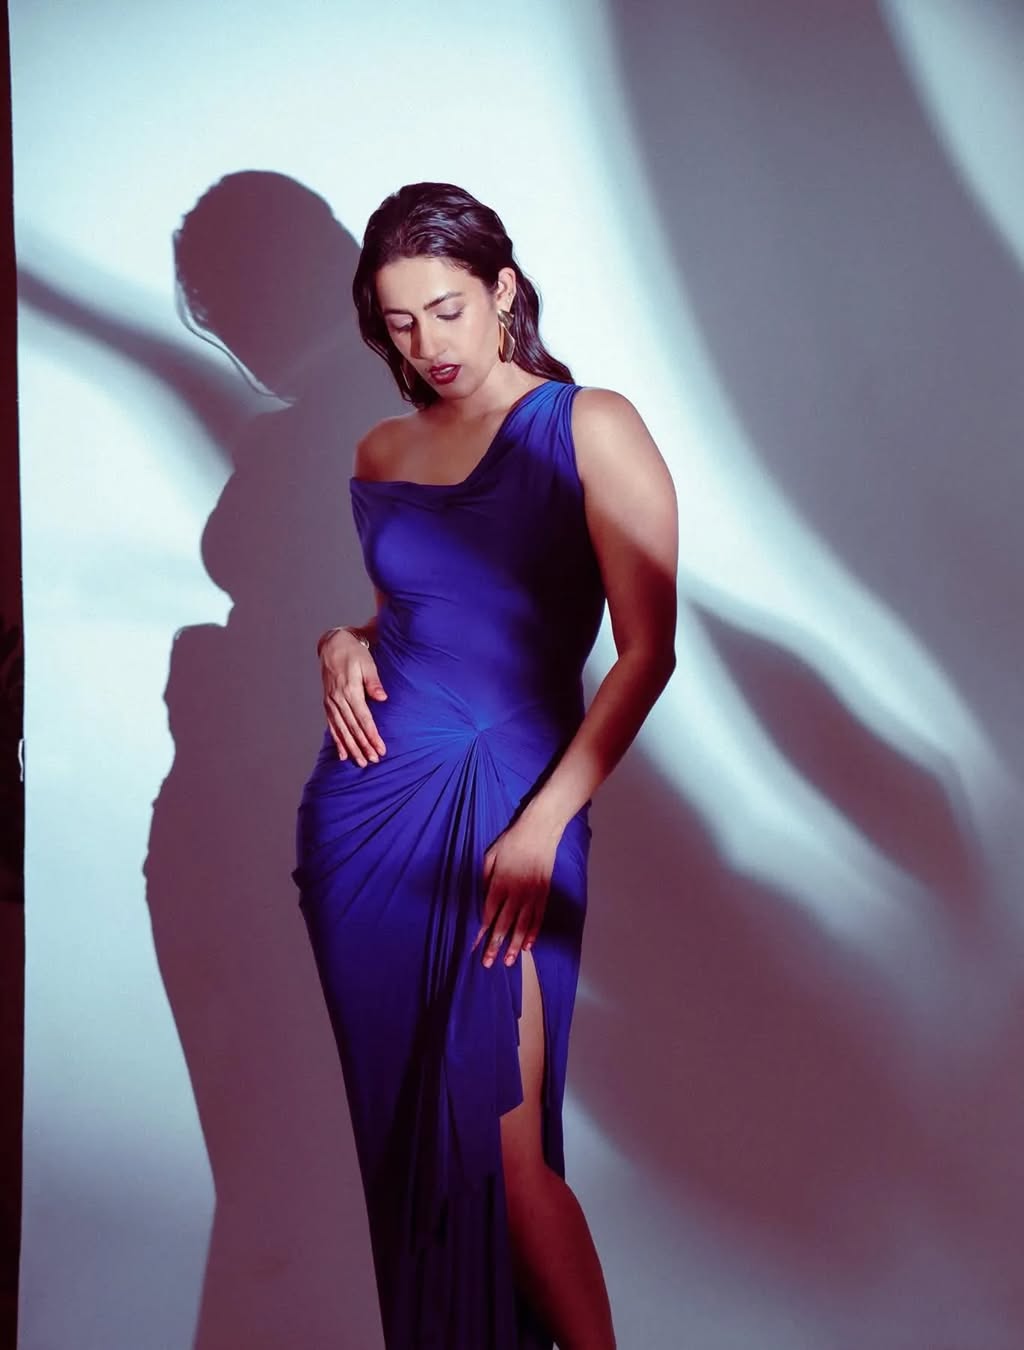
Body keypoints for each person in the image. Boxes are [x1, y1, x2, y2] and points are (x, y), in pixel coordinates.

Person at [292, 181, 678, 1350]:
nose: (428, 344)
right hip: (367, 827)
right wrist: (340, 639)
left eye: (448, 310)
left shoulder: (589, 426)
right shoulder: (383, 446)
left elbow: (647, 652)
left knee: (501, 1150)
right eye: (401, 322)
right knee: (412, 1147)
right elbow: (418, 612)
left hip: (513, 804)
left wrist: (544, 825)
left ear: (503, 290)